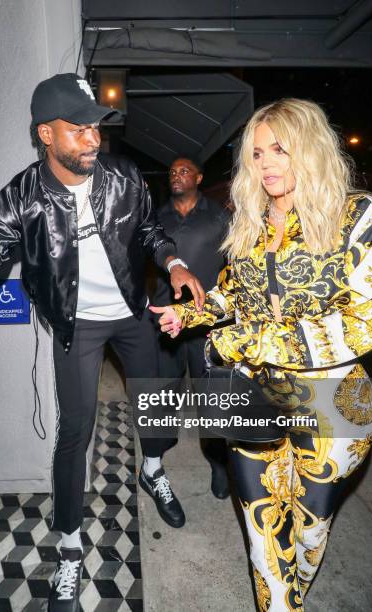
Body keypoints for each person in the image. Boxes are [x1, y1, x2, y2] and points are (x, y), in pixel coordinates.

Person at [0, 73, 206, 612]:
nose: (93, 138)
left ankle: (153, 469)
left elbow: (147, 232)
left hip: (134, 314)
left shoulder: (123, 177)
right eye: (78, 128)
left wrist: (175, 262)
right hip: (80, 326)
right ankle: (70, 548)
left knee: (158, 400)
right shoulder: (22, 199)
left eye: (95, 125)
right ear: (45, 134)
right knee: (75, 431)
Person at [151, 98, 372, 611]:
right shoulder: (249, 221)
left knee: (309, 527)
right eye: (256, 153)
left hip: (333, 399)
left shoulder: (358, 214)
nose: (267, 163)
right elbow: (236, 294)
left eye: (280, 149)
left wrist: (254, 340)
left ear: (311, 148)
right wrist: (193, 315)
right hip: (252, 388)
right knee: (261, 523)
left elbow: (367, 320)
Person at [147, 156, 232, 499]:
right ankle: (157, 455)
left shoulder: (219, 216)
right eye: (171, 171)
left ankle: (219, 463)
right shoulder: (157, 217)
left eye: (184, 171)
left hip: (206, 323)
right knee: (165, 388)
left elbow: (236, 264)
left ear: (198, 177)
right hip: (167, 322)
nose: (176, 175)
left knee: (210, 394)